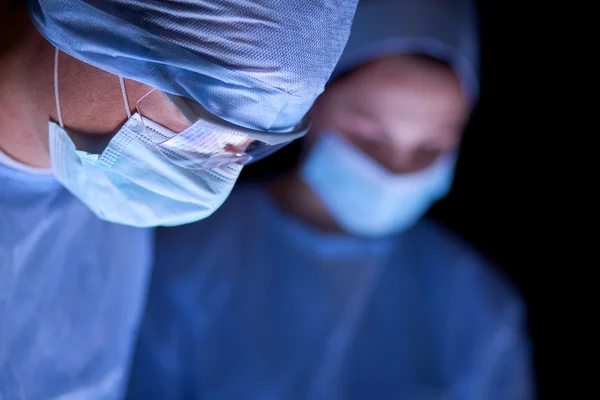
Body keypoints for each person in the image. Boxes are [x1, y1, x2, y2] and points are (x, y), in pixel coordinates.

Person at [127, 0, 535, 399]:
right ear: (314, 105)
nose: (393, 171)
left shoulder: (476, 304)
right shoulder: (186, 256)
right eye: (368, 136)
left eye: (430, 147)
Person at [0, 0, 357, 398]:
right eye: (208, 123)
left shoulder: (109, 205)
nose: (221, 165)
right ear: (90, 27)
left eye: (258, 139)